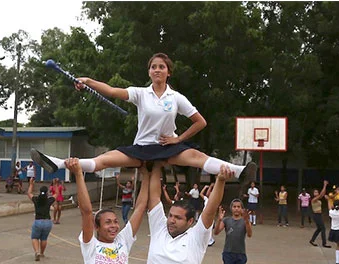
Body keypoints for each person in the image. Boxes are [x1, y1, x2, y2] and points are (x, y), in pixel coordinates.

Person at [30, 53, 257, 185]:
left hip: (167, 148)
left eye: (162, 67)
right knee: (105, 160)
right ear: (149, 72)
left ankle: (239, 171)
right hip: (142, 148)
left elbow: (200, 122)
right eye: (153, 67)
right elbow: (111, 90)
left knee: (198, 156)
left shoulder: (176, 98)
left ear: (169, 72)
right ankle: (57, 163)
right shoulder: (140, 93)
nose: (157, 70)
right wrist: (88, 80)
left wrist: (178, 140)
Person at [28, 179, 56, 261]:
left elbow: (29, 193)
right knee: (44, 238)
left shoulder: (36, 200)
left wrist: (31, 184)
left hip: (38, 221)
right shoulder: (49, 200)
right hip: (47, 222)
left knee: (35, 237)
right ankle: (42, 253)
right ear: (47, 193)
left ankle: (37, 252)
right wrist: (55, 185)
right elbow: (56, 194)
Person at [309, 180, 332, 248]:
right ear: (313, 193)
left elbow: (322, 193)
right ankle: (324, 243)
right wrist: (324, 185)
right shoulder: (313, 199)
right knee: (323, 228)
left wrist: (325, 188)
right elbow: (321, 194)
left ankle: (312, 240)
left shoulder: (318, 200)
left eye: (317, 192)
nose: (316, 193)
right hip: (316, 215)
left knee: (319, 228)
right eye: (315, 192)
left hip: (319, 215)